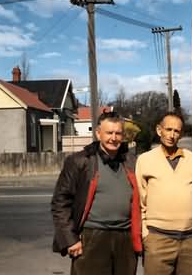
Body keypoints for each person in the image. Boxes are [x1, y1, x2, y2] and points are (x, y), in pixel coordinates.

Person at [51, 111, 142, 275]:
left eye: (118, 133)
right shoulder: (80, 161)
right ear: (98, 133)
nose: (113, 138)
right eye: (109, 133)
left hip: (126, 239)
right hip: (92, 237)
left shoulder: (132, 162)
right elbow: (60, 203)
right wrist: (70, 240)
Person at [135, 112, 192, 275]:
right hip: (158, 239)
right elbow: (140, 201)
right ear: (159, 130)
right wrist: (146, 235)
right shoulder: (145, 160)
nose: (172, 135)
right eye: (168, 129)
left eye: (176, 131)